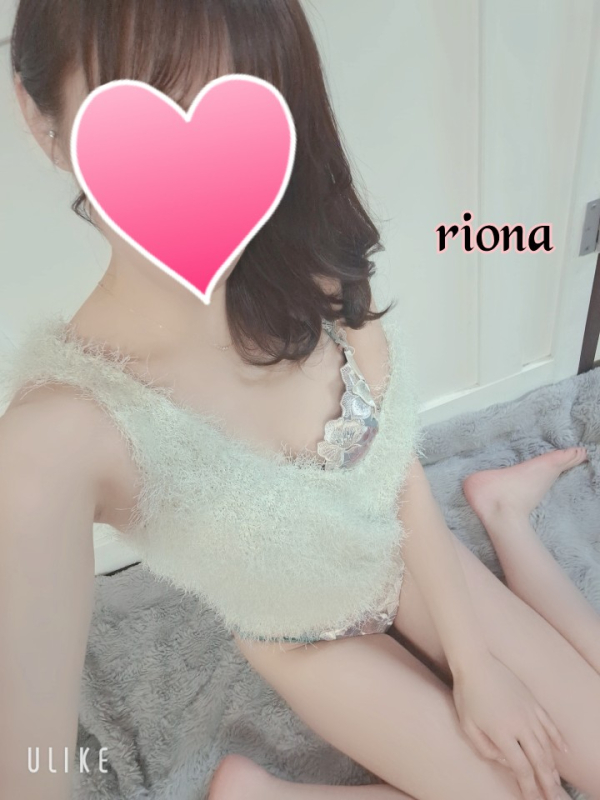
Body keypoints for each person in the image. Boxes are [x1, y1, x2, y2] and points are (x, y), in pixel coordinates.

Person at [2, 2, 600, 800]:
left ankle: (503, 513)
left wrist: (477, 666)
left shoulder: (315, 266)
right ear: (40, 116)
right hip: (305, 640)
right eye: (150, 101)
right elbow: (27, 770)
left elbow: (394, 472)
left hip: (403, 562)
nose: (200, 163)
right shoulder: (58, 437)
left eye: (240, 98)